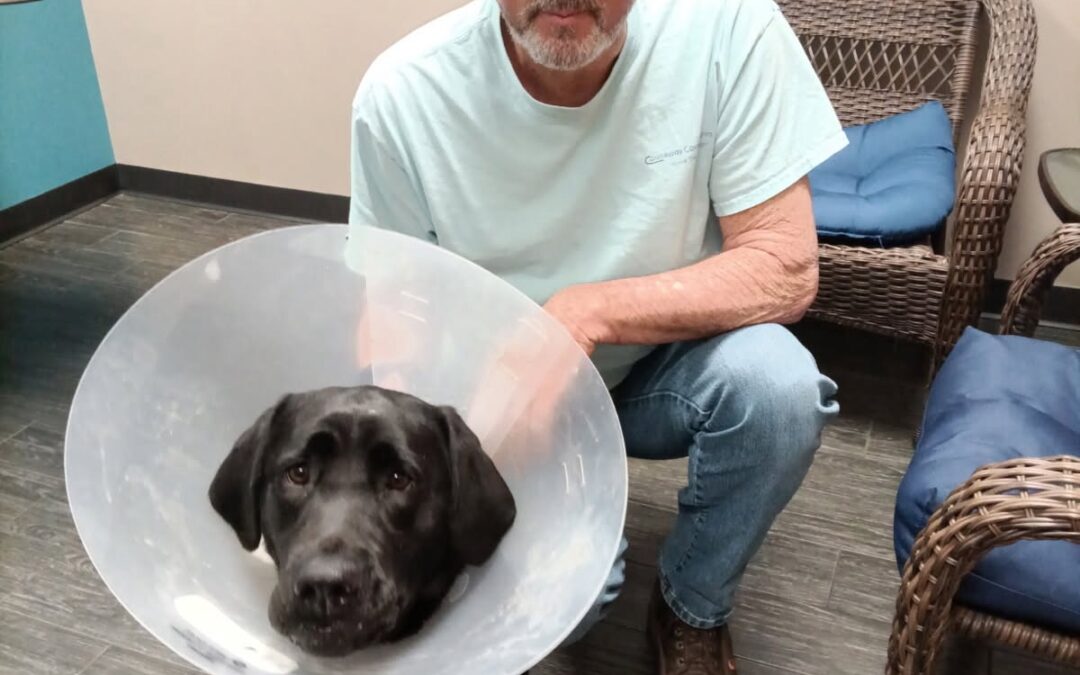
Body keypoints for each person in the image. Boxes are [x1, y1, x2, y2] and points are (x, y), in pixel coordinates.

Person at [346, 0, 844, 672]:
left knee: (779, 390)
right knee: (574, 597)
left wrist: (587, 313)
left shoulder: (730, 27)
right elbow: (396, 319)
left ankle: (692, 603)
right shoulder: (403, 93)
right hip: (506, 388)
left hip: (659, 364)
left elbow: (785, 265)